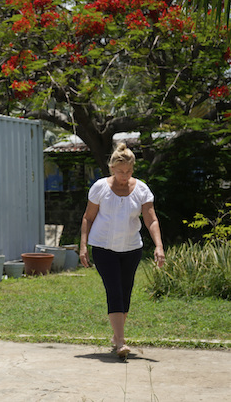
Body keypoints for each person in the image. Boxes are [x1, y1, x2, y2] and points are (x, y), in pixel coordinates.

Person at [79, 143, 165, 359]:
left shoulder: (142, 190)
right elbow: (88, 218)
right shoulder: (99, 188)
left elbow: (151, 219)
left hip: (131, 249)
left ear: (132, 169)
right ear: (112, 169)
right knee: (114, 290)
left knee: (125, 293)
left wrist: (159, 246)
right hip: (103, 248)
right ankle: (121, 342)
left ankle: (116, 336)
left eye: (128, 171)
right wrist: (83, 246)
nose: (124, 176)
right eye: (120, 172)